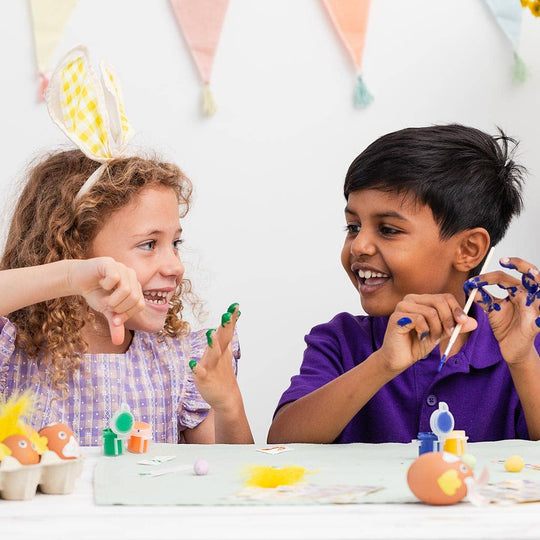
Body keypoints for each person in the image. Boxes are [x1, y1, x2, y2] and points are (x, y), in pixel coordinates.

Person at [0, 46, 253, 446]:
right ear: (72, 247)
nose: (175, 266)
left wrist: (229, 405)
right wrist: (71, 276)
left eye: (175, 244)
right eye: (149, 244)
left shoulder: (179, 361)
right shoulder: (12, 352)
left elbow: (229, 487)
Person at [268, 124, 540, 444]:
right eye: (353, 226)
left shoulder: (524, 344)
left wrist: (522, 362)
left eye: (388, 229)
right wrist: (383, 363)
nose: (359, 246)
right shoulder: (339, 341)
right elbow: (282, 443)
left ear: (468, 250)